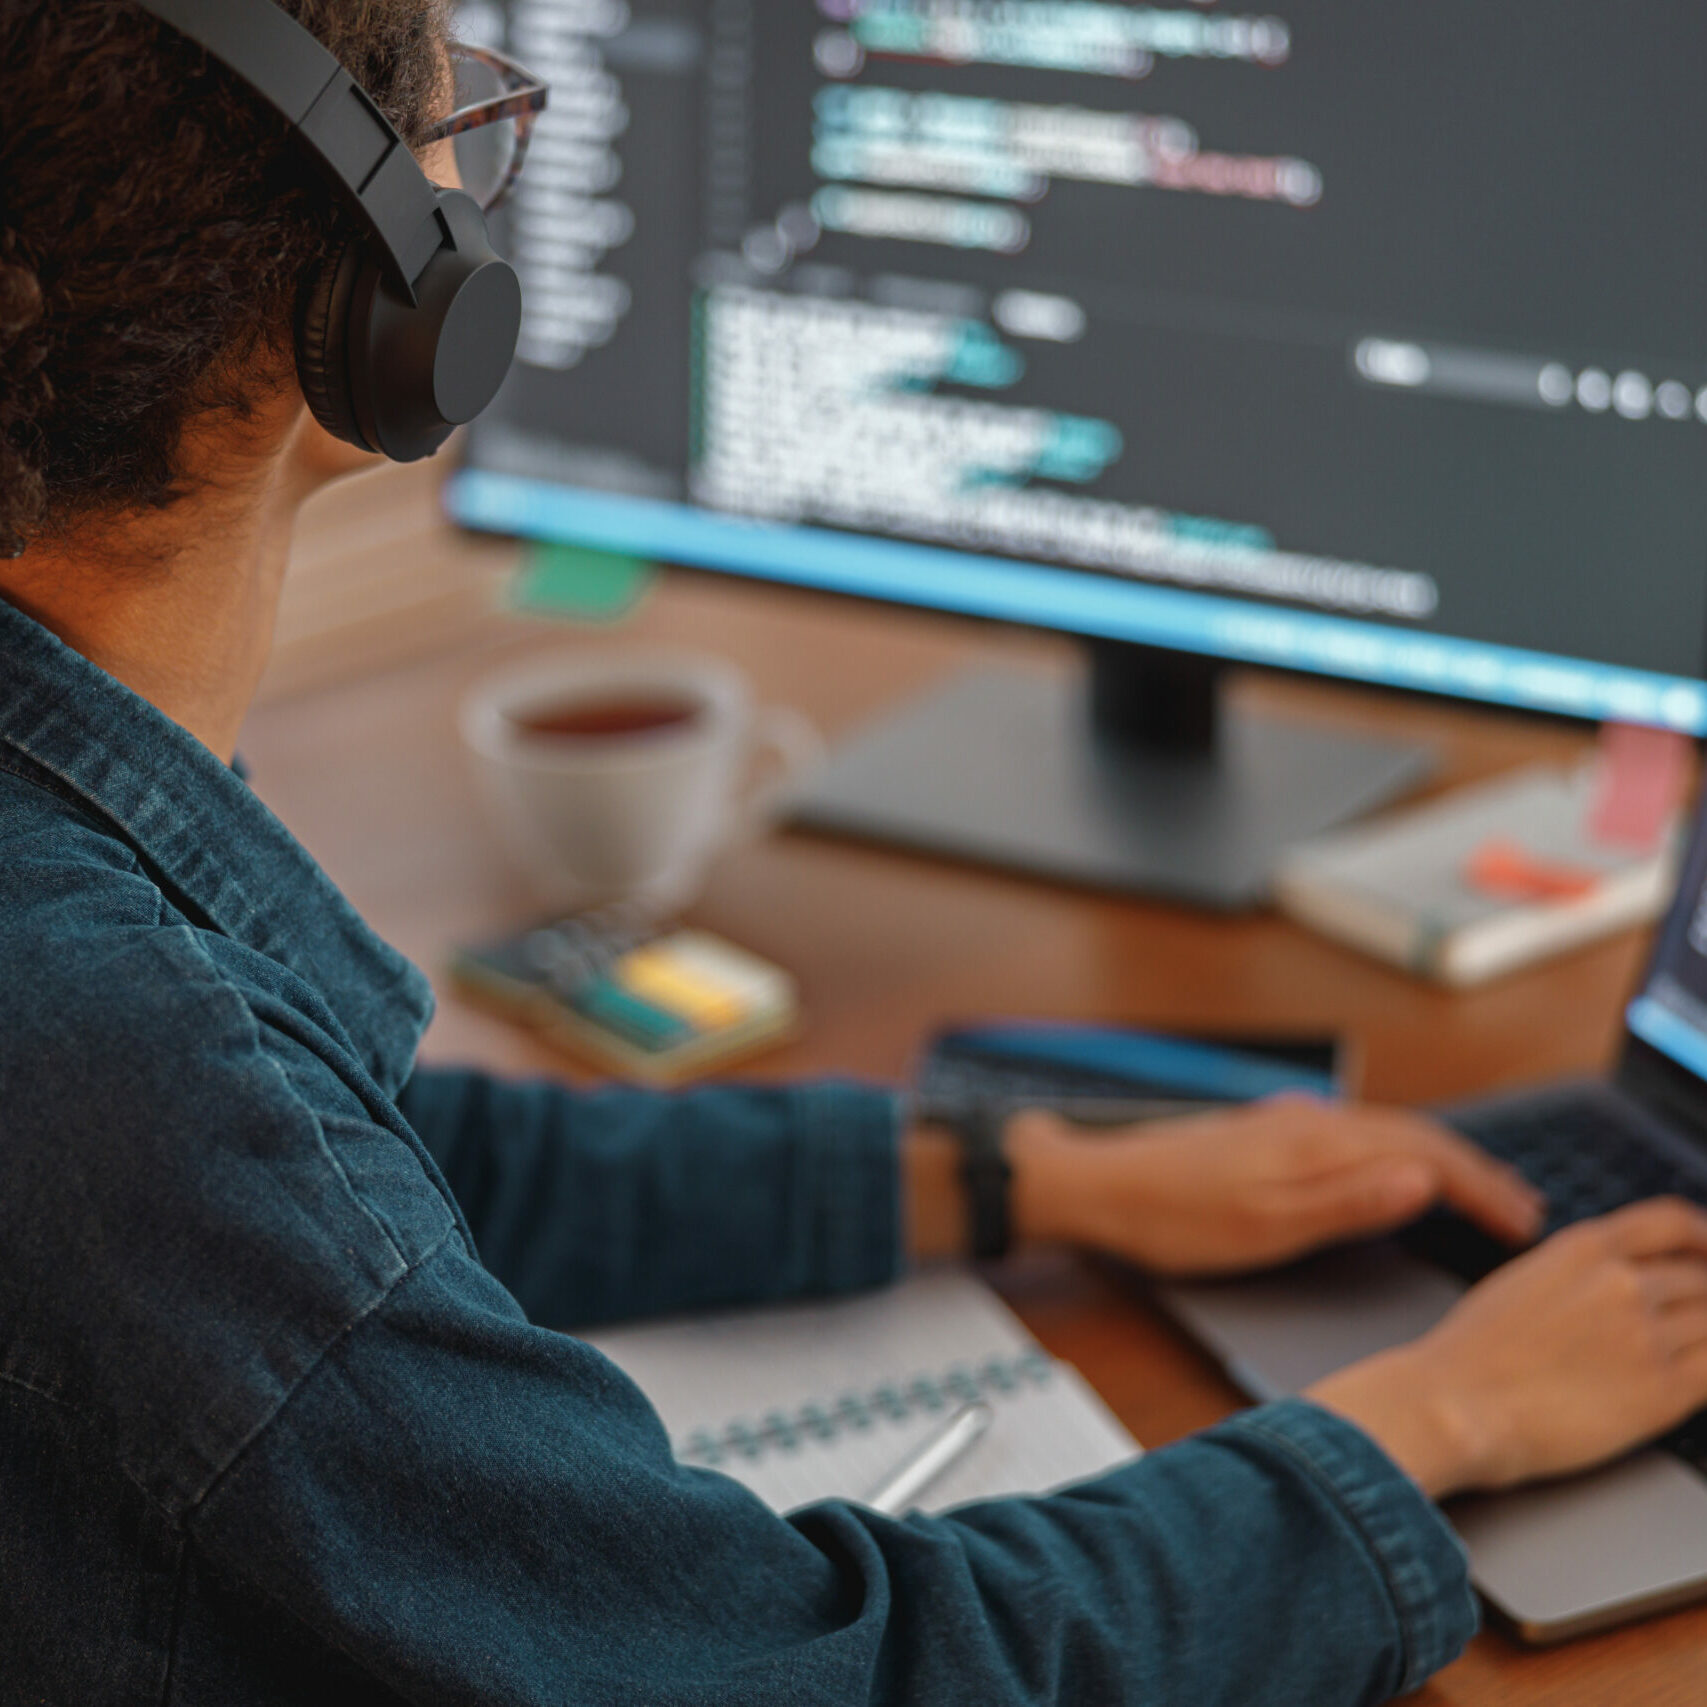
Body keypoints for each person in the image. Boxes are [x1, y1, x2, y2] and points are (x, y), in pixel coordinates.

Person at [6, 4, 1707, 1703]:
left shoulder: (127, 1033)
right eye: (477, 136)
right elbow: (819, 1679)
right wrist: (1440, 1415)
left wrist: (1022, 1175)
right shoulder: (119, 1062)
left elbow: (370, 1180)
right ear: (380, 308)